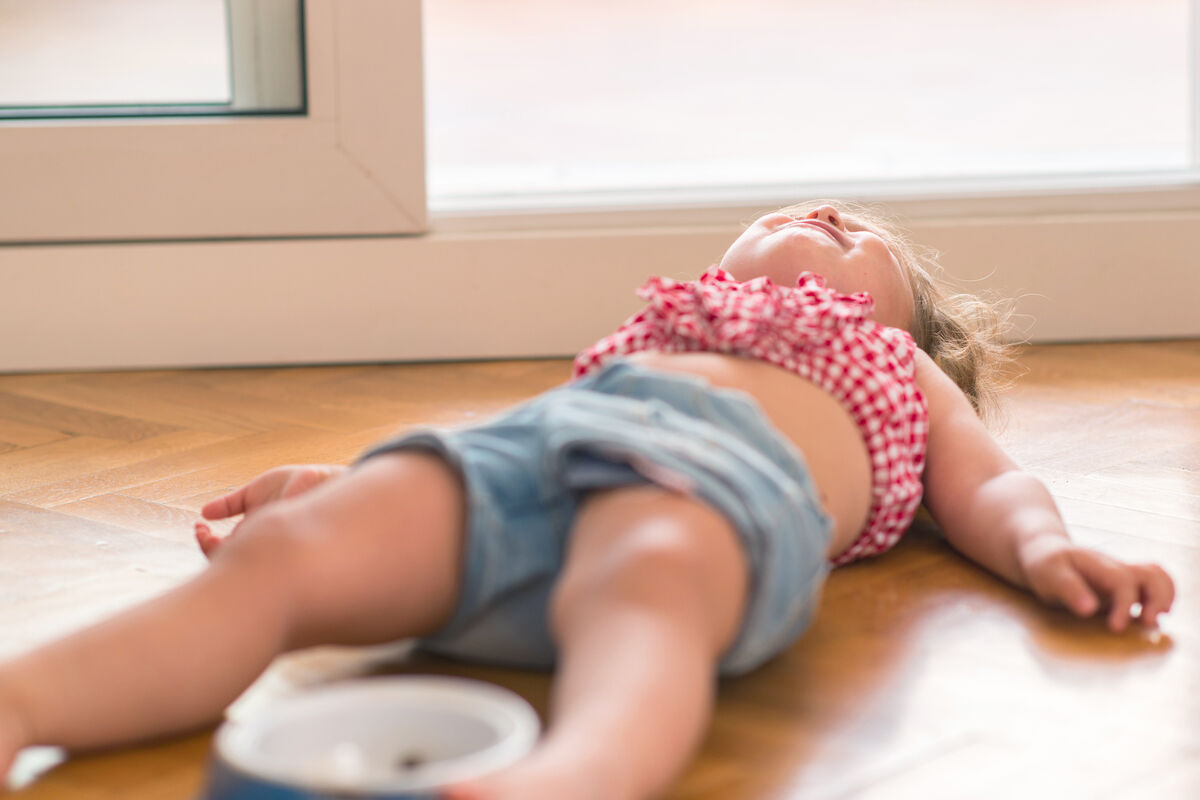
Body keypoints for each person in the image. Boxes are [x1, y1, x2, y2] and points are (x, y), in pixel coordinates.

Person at [0, 202, 1176, 800]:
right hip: (542, 466)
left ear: (910, 328)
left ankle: (574, 773)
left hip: (710, 495)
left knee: (650, 569)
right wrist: (356, 483)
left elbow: (997, 484)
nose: (829, 215)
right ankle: (29, 696)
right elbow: (512, 446)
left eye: (867, 235)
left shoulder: (895, 372)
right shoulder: (661, 327)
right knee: (302, 551)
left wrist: (1050, 549)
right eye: (802, 204)